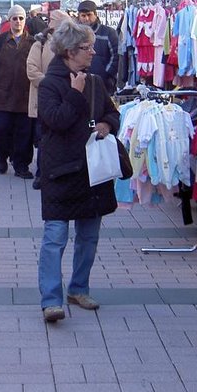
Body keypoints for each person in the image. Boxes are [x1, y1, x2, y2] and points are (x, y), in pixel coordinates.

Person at [36, 19, 120, 323]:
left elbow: (112, 112)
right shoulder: (50, 84)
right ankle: (51, 300)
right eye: (87, 48)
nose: (93, 53)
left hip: (91, 172)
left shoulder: (95, 81)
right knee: (55, 236)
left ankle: (79, 287)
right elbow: (55, 120)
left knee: (89, 235)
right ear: (70, 51)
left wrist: (107, 124)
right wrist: (74, 93)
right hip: (60, 172)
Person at [0, 5, 35, 179]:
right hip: (1, 96)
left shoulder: (33, 43)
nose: (18, 21)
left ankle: (21, 165)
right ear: (9, 20)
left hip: (25, 97)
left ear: (25, 20)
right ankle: (2, 156)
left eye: (21, 18)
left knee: (24, 133)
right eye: (14, 18)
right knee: (0, 129)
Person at [26, 9, 72, 189]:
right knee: (44, 139)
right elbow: (31, 69)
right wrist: (51, 85)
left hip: (67, 99)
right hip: (43, 100)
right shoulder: (40, 43)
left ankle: (61, 174)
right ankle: (41, 174)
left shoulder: (72, 45)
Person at [76, 0, 120, 93]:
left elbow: (116, 56)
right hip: (80, 82)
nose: (86, 18)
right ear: (79, 16)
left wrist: (106, 73)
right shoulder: (74, 35)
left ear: (95, 15)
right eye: (83, 16)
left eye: (89, 15)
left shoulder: (109, 33)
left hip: (104, 83)